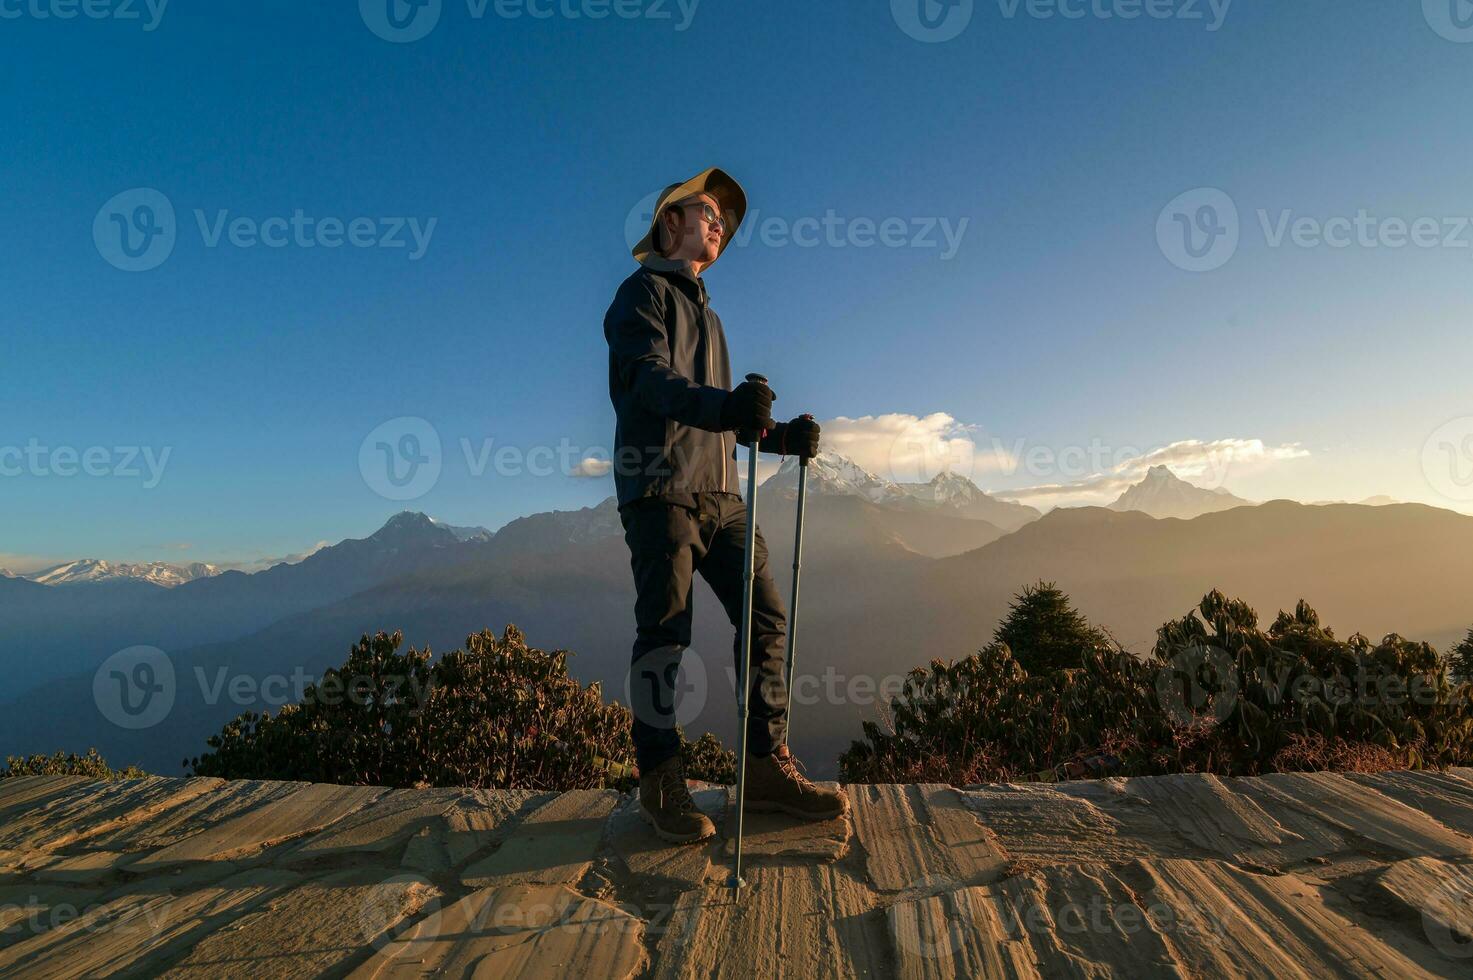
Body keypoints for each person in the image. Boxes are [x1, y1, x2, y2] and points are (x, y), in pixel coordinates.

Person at [604, 167, 849, 843]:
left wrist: (772, 437)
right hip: (660, 492)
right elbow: (652, 384)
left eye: (722, 220)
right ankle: (659, 780)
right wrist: (726, 409)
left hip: (720, 496)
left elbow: (720, 417)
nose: (718, 225)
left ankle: (765, 769)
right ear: (668, 222)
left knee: (766, 614)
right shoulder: (639, 296)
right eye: (707, 212)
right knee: (665, 633)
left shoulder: (711, 317)